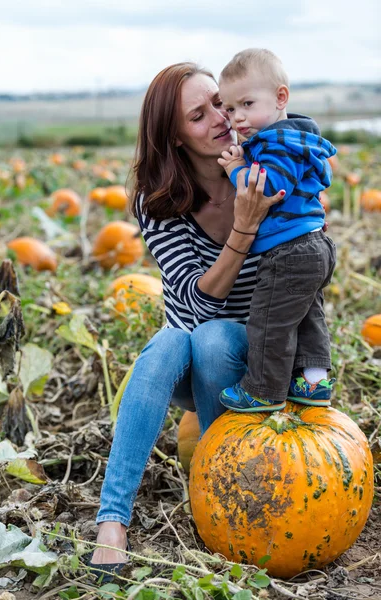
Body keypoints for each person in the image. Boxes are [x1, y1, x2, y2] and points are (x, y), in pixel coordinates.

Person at [88, 62, 285, 582]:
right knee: (175, 342)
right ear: (175, 139)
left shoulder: (268, 169)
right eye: (198, 116)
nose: (220, 118)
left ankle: (224, 488)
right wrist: (243, 229)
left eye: (219, 102)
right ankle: (112, 522)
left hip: (264, 359)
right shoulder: (159, 205)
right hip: (193, 356)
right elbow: (200, 301)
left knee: (217, 337)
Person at [217, 48, 337, 413]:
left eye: (247, 104)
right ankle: (314, 380)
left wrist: (237, 168)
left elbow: (266, 191)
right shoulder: (295, 139)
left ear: (280, 97)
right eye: (230, 108)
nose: (237, 118)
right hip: (313, 244)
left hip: (289, 252)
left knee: (268, 322)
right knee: (306, 316)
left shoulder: (276, 145)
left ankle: (263, 389)